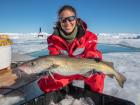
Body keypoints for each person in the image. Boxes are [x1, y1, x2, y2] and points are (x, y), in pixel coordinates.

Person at [38, 5, 105, 93]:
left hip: (84, 70)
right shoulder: (53, 39)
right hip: (64, 71)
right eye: (63, 19)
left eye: (71, 18)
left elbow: (92, 51)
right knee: (46, 84)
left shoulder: (89, 36)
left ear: (76, 19)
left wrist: (94, 58)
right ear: (60, 21)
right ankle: (63, 90)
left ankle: (92, 94)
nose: (67, 22)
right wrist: (47, 69)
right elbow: (53, 56)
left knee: (97, 77)